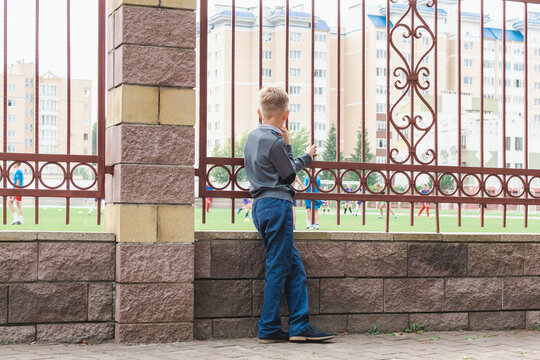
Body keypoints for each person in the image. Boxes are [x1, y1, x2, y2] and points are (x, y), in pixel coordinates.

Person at [244, 86, 334, 343]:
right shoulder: (275, 141)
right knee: (279, 266)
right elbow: (289, 175)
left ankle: (299, 325)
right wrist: (302, 153)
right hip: (277, 205)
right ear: (287, 114)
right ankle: (269, 327)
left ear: (259, 112)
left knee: (294, 267)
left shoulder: (252, 137)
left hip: (260, 207)